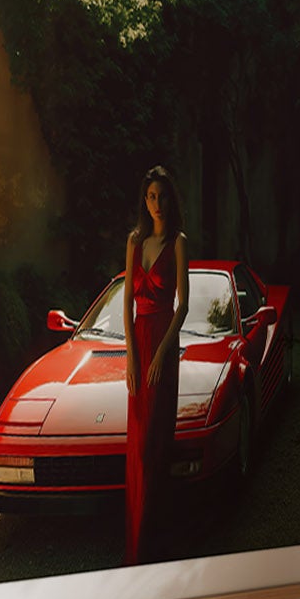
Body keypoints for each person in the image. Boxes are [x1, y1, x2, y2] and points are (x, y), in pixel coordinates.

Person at [123, 165, 189, 565]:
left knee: (156, 445)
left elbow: (184, 305)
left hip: (164, 342)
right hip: (139, 346)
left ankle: (157, 539)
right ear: (143, 201)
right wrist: (131, 357)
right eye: (150, 196)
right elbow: (126, 301)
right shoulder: (134, 241)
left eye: (162, 196)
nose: (156, 204)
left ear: (170, 199)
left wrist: (163, 354)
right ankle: (137, 539)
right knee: (139, 446)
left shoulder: (178, 242)